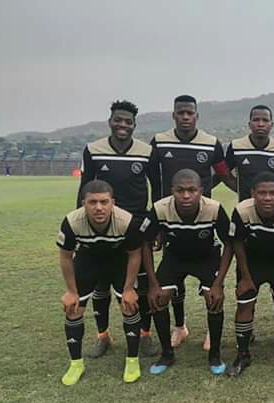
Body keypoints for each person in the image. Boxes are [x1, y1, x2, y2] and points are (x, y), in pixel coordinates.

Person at [148, 95, 234, 351]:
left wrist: (248, 194)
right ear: (173, 115)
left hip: (201, 220)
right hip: (170, 218)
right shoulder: (159, 142)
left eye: (190, 113)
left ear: (197, 116)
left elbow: (223, 174)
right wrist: (158, 222)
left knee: (210, 285)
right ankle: (179, 327)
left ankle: (210, 332)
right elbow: (153, 180)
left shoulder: (211, 143)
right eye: (181, 112)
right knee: (174, 278)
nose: (185, 117)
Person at [76, 100, 159, 360]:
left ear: (134, 125)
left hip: (136, 226)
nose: (123, 125)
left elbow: (157, 189)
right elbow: (84, 189)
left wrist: (155, 227)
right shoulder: (93, 150)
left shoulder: (146, 151)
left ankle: (145, 334)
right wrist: (81, 225)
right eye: (118, 120)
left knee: (141, 285)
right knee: (101, 284)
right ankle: (103, 336)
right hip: (102, 227)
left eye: (128, 121)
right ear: (110, 121)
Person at [144, 169, 233, 375]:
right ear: (172, 191)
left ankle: (215, 355)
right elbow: (145, 243)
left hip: (206, 257)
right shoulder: (159, 208)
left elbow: (229, 244)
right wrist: (153, 284)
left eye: (192, 190)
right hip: (175, 257)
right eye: (180, 190)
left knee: (214, 299)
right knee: (159, 298)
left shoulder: (214, 208)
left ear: (201, 191)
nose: (186, 195)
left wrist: (218, 283)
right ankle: (167, 354)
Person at [57, 180, 145, 386]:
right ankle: (76, 364)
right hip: (88, 261)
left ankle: (132, 361)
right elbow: (65, 256)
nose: (98, 207)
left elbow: (135, 255)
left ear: (113, 202)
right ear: (83, 204)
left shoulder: (126, 220)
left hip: (118, 261)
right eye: (92, 202)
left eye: (104, 202)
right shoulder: (71, 221)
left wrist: (129, 289)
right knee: (73, 308)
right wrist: (71, 291)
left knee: (130, 305)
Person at [227, 171, 274, 377]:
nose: (267, 198)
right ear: (253, 193)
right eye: (262, 193)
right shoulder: (241, 211)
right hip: (252, 263)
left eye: (272, 193)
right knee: (245, 303)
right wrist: (245, 277)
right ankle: (243, 354)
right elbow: (237, 243)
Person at [224, 105, 274, 202]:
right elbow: (224, 173)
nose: (261, 124)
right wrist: (240, 189)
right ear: (249, 124)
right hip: (245, 207)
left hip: (272, 207)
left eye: (265, 120)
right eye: (256, 120)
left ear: (271, 124)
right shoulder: (236, 146)